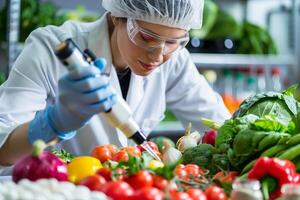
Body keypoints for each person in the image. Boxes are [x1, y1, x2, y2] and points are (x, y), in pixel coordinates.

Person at [0, 0, 230, 170]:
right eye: (146, 37)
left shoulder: (176, 61)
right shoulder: (50, 46)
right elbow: (2, 147)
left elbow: (222, 128)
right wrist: (54, 122)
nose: (158, 56)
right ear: (116, 16)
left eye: (173, 42)